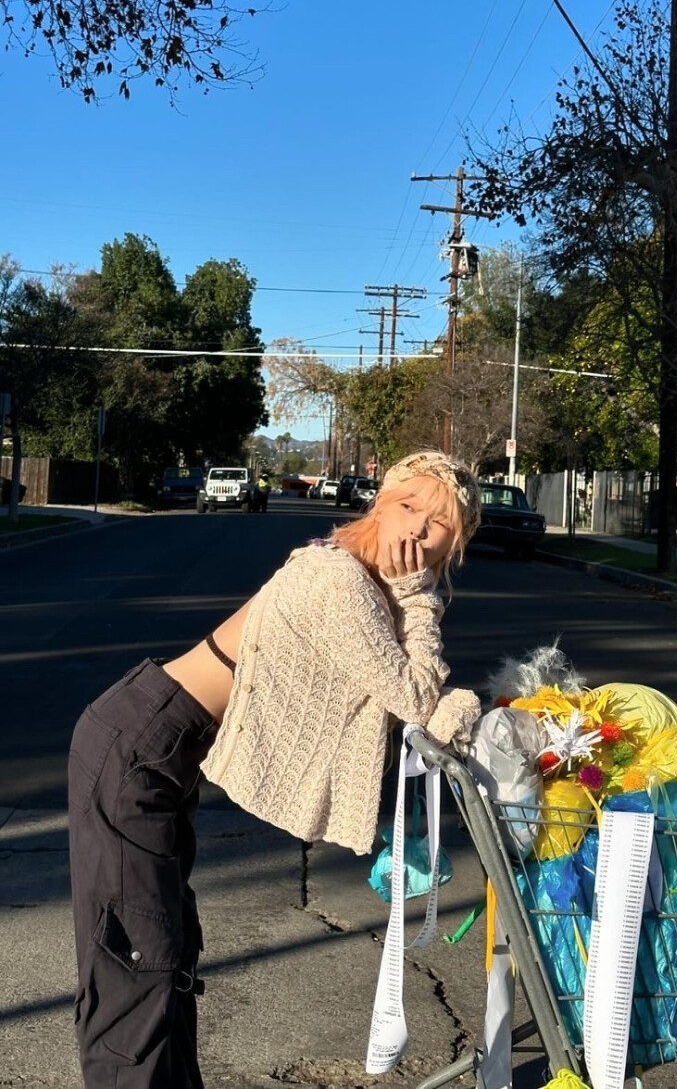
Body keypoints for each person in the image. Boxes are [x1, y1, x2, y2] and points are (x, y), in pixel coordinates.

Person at [67, 450, 483, 1089]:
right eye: (409, 507)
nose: (416, 531)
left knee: (168, 956)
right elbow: (417, 697)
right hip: (137, 745)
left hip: (163, 750)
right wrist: (418, 597)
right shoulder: (337, 580)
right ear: (380, 500)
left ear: (450, 548)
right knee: (137, 964)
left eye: (438, 529)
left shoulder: (358, 578)